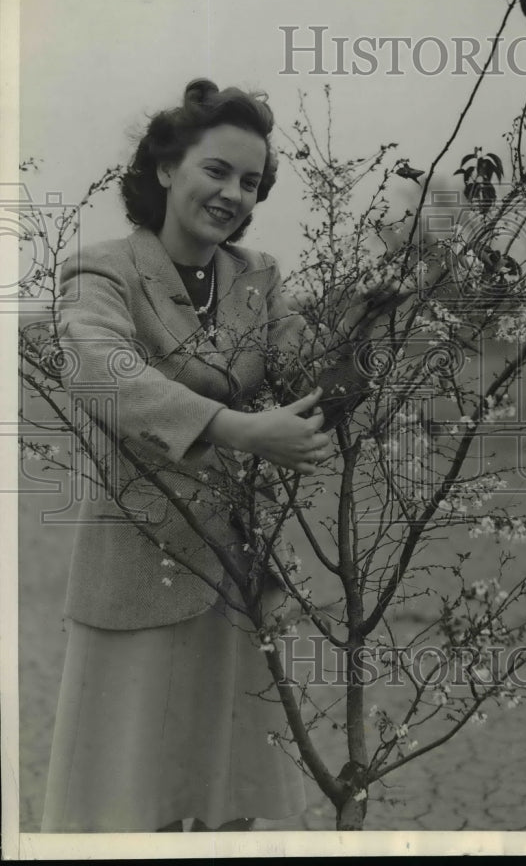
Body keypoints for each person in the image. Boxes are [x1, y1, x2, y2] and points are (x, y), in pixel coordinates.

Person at [40, 78, 335, 833]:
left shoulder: (257, 277)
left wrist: (370, 327)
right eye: (217, 170)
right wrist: (235, 429)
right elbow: (98, 368)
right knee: (131, 805)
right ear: (167, 168)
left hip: (237, 572)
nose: (233, 193)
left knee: (227, 799)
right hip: (138, 570)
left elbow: (307, 376)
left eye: (250, 182)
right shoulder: (102, 270)